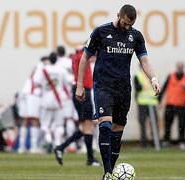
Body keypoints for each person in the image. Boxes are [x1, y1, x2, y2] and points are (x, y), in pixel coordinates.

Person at [75, 4, 160, 179]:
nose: (127, 27)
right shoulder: (100, 32)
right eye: (125, 22)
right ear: (118, 16)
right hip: (104, 87)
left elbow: (144, 60)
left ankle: (111, 172)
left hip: (123, 89)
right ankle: (107, 172)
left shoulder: (135, 36)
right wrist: (80, 85)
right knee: (105, 124)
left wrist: (153, 78)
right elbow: (85, 58)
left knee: (117, 130)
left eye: (131, 24)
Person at [54, 46, 100, 166]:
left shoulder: (76, 56)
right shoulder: (81, 56)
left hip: (80, 91)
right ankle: (90, 159)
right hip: (83, 91)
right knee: (88, 125)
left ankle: (61, 147)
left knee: (85, 126)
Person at [34, 52, 70, 152]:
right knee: (59, 125)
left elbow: (36, 82)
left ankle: (49, 139)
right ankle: (58, 144)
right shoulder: (61, 70)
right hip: (59, 99)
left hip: (46, 99)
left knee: (44, 124)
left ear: (49, 60)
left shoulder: (43, 70)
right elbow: (69, 82)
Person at [158, 62, 185, 150]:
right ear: (176, 67)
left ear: (183, 68)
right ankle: (166, 141)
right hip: (170, 104)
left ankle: (181, 142)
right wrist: (159, 101)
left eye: (181, 67)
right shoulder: (170, 76)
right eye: (178, 67)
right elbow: (164, 88)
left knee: (182, 125)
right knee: (167, 124)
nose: (180, 69)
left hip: (182, 106)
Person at [16, 57, 49, 154]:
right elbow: (38, 82)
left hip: (25, 93)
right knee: (35, 119)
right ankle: (34, 147)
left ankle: (21, 147)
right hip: (33, 95)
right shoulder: (42, 67)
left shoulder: (37, 66)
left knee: (25, 120)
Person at [134, 67, 159, 148]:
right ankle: (144, 143)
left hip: (152, 102)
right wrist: (142, 85)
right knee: (142, 123)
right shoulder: (138, 76)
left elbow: (157, 88)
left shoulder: (152, 76)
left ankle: (155, 142)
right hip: (142, 103)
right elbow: (137, 88)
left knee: (154, 123)